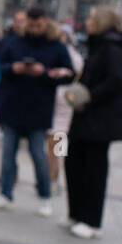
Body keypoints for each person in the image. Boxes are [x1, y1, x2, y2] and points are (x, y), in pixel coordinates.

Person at [0, 7, 75, 216]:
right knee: (9, 153)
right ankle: (6, 193)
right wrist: (13, 69)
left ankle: (46, 193)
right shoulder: (14, 42)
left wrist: (45, 73)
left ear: (46, 23)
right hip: (13, 105)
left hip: (42, 109)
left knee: (40, 154)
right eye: (30, 23)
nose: (34, 27)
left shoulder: (57, 47)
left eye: (38, 23)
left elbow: (69, 74)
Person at [63, 8, 122, 239]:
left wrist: (89, 96)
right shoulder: (98, 46)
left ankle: (91, 220)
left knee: (93, 169)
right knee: (76, 163)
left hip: (99, 119)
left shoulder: (111, 48)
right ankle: (77, 213)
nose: (87, 22)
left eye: (92, 18)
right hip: (87, 117)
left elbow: (116, 80)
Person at [46, 22, 84, 190]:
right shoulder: (70, 54)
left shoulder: (67, 54)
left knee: (57, 141)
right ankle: (53, 176)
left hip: (62, 100)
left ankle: (53, 177)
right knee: (55, 142)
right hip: (59, 99)